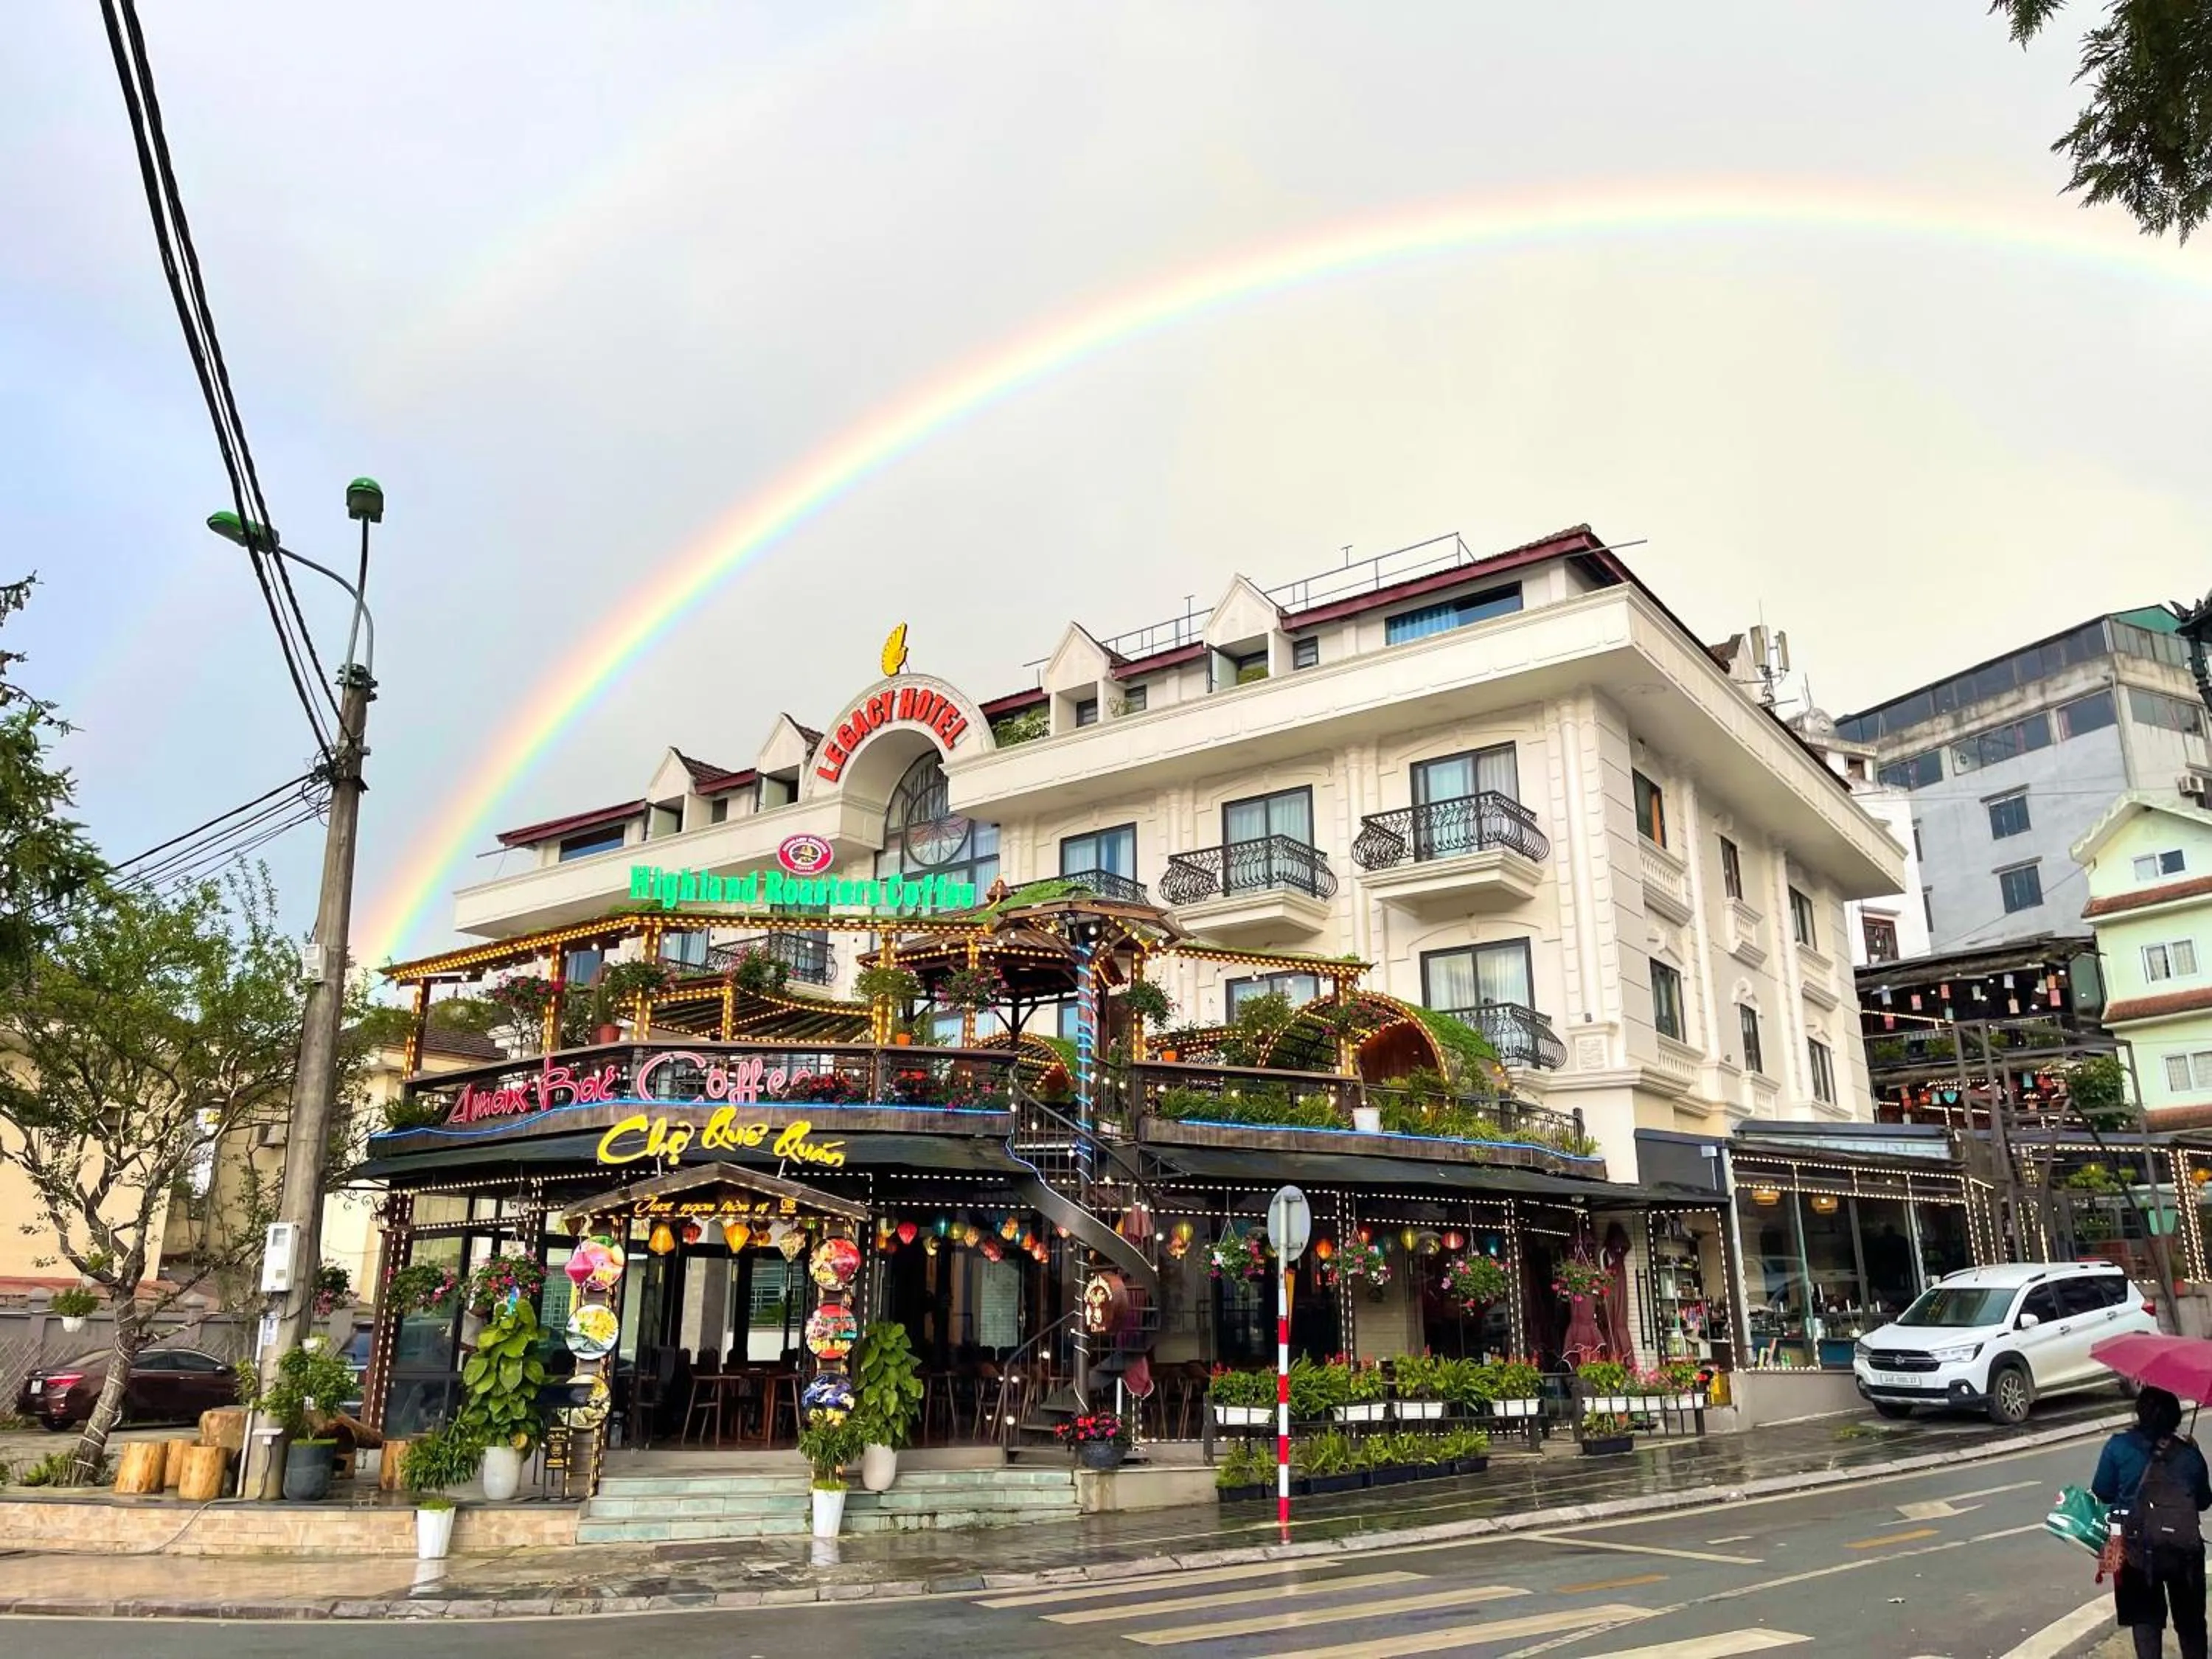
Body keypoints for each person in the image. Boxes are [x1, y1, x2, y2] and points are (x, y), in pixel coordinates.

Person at [2094, 1385, 2212, 1659]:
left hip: (2135, 1548)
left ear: (2139, 1413)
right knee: (2191, 1622)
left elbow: (2102, 1491)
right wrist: (2192, 1453)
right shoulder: (2189, 1453)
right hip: (2184, 1548)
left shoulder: (2117, 1446)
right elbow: (2204, 1500)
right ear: (2175, 1418)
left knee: (2145, 1620)